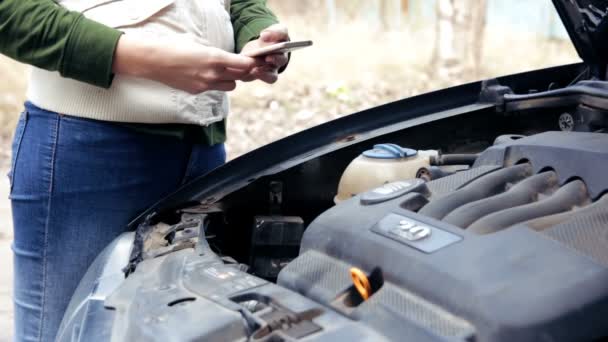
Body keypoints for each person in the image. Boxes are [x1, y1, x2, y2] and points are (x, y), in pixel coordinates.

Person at [0, 0, 290, 341]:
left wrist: (261, 35)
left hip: (204, 156)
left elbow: (241, 4)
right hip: (89, 152)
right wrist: (151, 61)